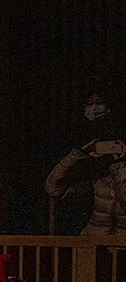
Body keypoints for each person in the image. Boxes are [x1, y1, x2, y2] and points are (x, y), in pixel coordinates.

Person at [44, 100, 126, 235]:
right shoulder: (98, 177)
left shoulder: (116, 169)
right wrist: (78, 155)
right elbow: (54, 188)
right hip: (93, 240)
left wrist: (119, 165)